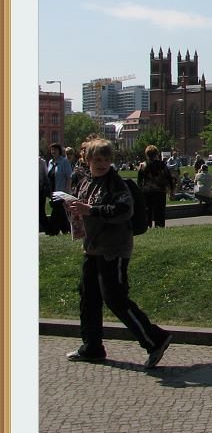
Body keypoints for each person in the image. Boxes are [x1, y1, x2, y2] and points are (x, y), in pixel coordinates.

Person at [63, 138, 173, 368]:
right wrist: (73, 208)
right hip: (92, 248)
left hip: (114, 249)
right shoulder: (86, 182)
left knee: (115, 298)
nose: (102, 163)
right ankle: (92, 346)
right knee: (88, 296)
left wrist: (91, 210)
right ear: (88, 160)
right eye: (97, 159)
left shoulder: (116, 184)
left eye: (106, 159)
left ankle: (155, 339)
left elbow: (123, 210)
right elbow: (83, 207)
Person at [137, 145, 173, 228]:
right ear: (157, 154)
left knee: (147, 211)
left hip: (147, 192)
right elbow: (169, 177)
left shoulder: (142, 165)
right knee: (160, 212)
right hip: (160, 191)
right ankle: (159, 226)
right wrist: (171, 189)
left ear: (146, 154)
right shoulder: (163, 165)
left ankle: (147, 226)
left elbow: (139, 182)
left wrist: (139, 192)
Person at [46, 142, 73, 236]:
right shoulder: (50, 162)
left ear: (59, 151)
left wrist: (67, 190)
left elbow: (69, 177)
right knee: (60, 211)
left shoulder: (64, 161)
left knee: (57, 210)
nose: (53, 151)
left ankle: (53, 230)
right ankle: (66, 229)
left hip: (61, 190)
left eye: (55, 150)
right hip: (52, 191)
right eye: (52, 150)